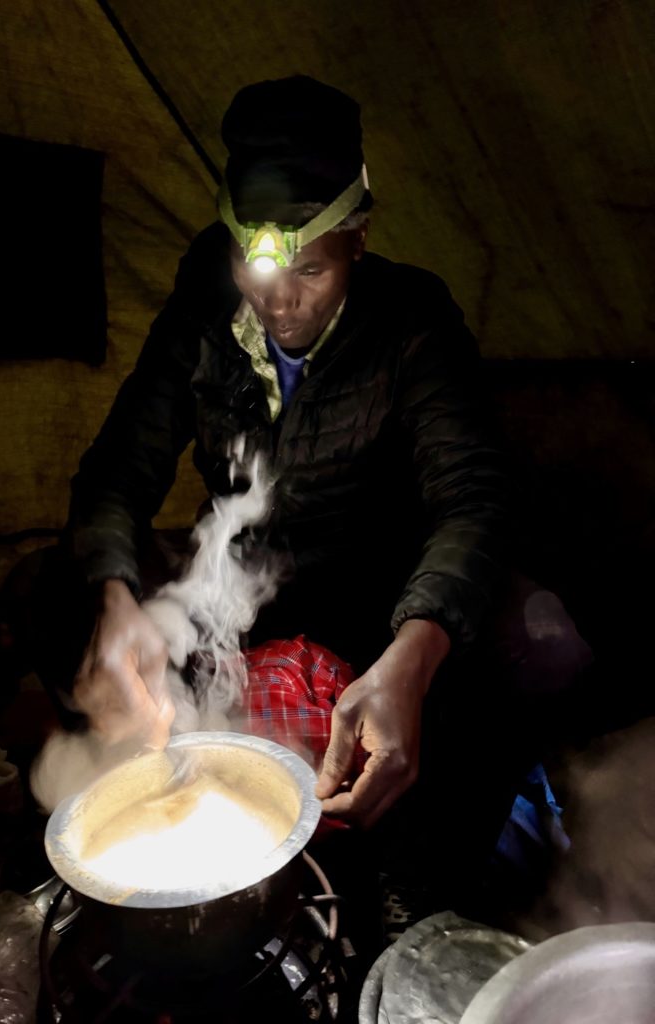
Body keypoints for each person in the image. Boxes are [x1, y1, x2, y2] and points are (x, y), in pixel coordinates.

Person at [55, 75, 592, 910]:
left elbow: (473, 497)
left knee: (496, 691)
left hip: (376, 594)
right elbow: (120, 467)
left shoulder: (413, 320)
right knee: (94, 641)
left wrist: (413, 657)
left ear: (359, 238)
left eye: (308, 268)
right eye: (252, 266)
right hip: (244, 592)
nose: (276, 298)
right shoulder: (205, 300)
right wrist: (119, 598)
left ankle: (412, 894)